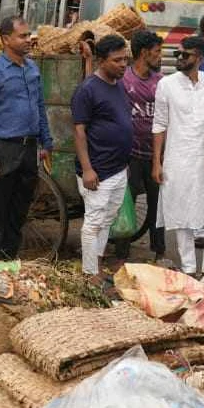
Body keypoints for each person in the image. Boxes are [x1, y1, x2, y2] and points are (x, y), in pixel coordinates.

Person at [0, 17, 53, 260]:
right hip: (3, 148)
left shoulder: (32, 68)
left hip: (29, 148)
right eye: (23, 36)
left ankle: (9, 258)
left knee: (19, 209)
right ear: (6, 39)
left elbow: (39, 106)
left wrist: (46, 142)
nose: (29, 40)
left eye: (29, 35)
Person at [153, 36, 204, 276]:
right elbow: (159, 124)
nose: (179, 59)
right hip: (177, 156)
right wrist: (156, 162)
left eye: (185, 55)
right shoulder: (166, 84)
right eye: (178, 54)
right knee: (181, 212)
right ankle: (190, 268)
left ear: (200, 58)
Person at [72, 35, 134, 277]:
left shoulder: (117, 85)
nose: (123, 65)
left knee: (107, 219)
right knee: (93, 223)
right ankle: (90, 274)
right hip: (97, 170)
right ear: (101, 61)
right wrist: (87, 169)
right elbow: (79, 131)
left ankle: (96, 263)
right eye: (117, 60)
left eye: (125, 60)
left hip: (118, 168)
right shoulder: (86, 90)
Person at [113, 30, 166, 263]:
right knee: (127, 202)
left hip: (155, 153)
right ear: (144, 53)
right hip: (130, 154)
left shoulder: (161, 81)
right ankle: (121, 252)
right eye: (156, 52)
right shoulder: (124, 81)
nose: (160, 56)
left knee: (158, 204)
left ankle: (159, 251)